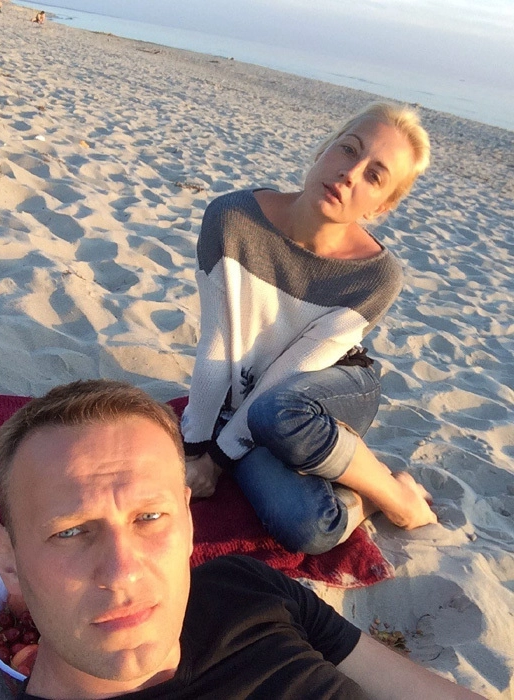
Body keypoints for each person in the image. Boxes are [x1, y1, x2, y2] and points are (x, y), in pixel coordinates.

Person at [0, 379, 482, 700]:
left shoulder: (243, 586)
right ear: (8, 559)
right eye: (71, 530)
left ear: (189, 522)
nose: (123, 571)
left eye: (150, 516)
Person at [182, 101, 437, 554]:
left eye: (374, 176)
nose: (349, 174)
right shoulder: (231, 218)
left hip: (330, 386)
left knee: (275, 411)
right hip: (256, 399)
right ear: (323, 150)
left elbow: (290, 376)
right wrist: (193, 449)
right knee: (308, 526)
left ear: (383, 205)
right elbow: (216, 345)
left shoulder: (376, 277)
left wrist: (214, 463)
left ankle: (396, 496)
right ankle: (361, 498)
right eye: (348, 149)